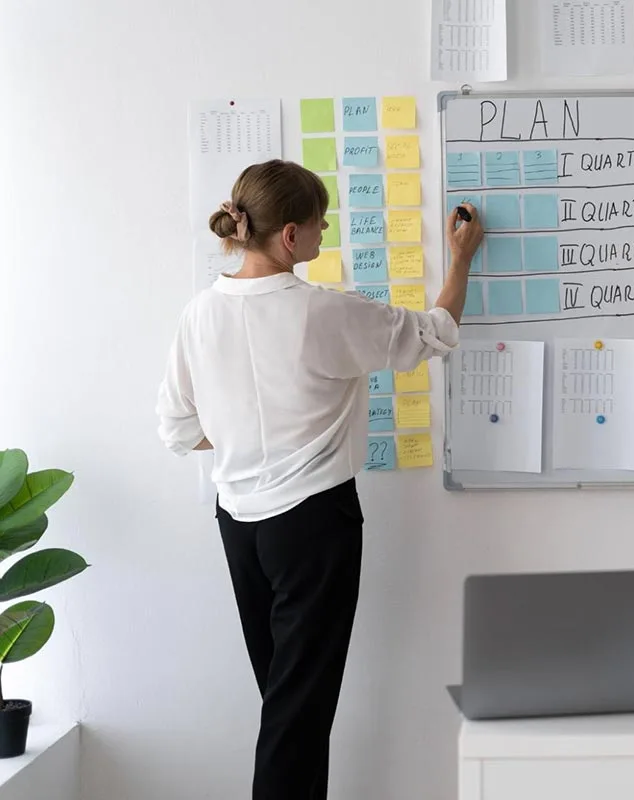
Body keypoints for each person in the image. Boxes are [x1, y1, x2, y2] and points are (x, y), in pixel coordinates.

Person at [155, 159, 483, 799]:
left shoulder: (200, 313)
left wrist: (251, 434)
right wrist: (461, 258)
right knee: (297, 716)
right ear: (289, 238)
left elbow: (175, 428)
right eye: (319, 223)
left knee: (285, 703)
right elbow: (435, 335)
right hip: (312, 524)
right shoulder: (323, 312)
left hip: (239, 527)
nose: (326, 233)